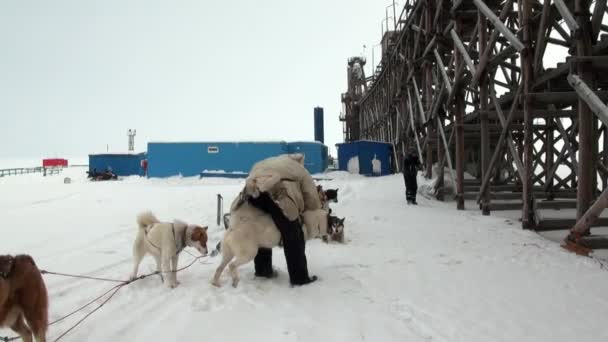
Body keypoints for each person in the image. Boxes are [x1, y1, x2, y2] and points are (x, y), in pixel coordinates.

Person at [238, 153, 321, 286]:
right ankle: (299, 278)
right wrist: (314, 209)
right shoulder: (300, 169)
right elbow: (311, 197)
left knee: (261, 229)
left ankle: (263, 270)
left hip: (252, 193)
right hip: (278, 194)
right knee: (293, 234)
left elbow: (252, 174)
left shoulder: (268, 161)